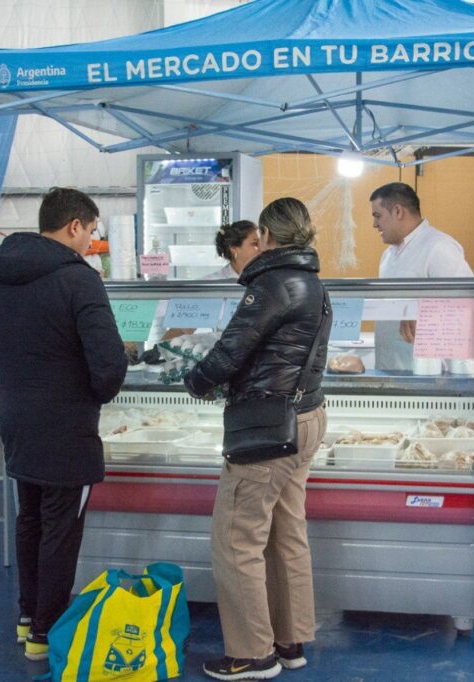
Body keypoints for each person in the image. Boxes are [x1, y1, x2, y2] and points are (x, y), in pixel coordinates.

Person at [0, 187, 127, 662]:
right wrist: (90, 394)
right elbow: (109, 365)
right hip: (68, 426)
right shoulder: (80, 280)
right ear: (74, 226)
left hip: (17, 419)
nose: (90, 242)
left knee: (30, 518)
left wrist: (19, 381)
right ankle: (46, 632)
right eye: (92, 232)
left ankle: (27, 616)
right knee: (60, 528)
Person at [183, 197, 330, 681]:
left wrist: (194, 381)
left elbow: (229, 353)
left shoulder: (270, 283)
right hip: (305, 418)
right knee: (287, 534)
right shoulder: (313, 283)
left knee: (236, 539)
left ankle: (252, 654)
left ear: (267, 236)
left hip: (267, 428)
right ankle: (290, 642)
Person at [369, 182, 473, 371]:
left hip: (427, 374)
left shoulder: (438, 247)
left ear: (398, 211)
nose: (374, 224)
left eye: (378, 216)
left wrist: (423, 316)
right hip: (390, 369)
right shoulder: (388, 255)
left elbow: (465, 303)